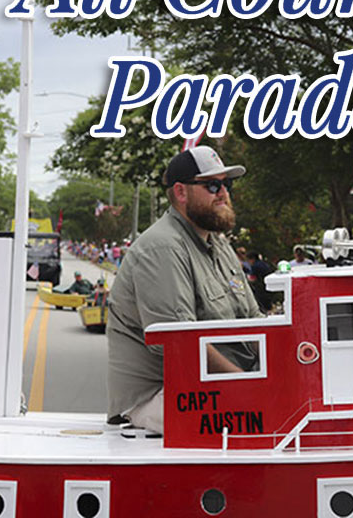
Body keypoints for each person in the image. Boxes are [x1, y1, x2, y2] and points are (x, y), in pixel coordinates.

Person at [106, 146, 263, 433]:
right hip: (162, 394)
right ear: (181, 192)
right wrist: (248, 387)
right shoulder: (162, 247)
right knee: (263, 421)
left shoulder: (219, 244)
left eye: (226, 184)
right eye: (212, 185)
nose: (224, 193)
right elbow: (181, 343)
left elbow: (254, 319)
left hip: (214, 385)